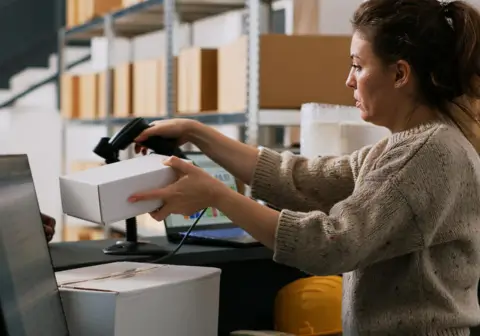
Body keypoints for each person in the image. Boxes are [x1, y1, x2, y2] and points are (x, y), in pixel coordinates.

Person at [128, 0, 480, 334]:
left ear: (400, 74)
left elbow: (331, 243)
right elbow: (302, 179)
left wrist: (217, 194)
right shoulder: (407, 146)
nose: (349, 80)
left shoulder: (427, 155)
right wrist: (195, 132)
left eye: (358, 65)